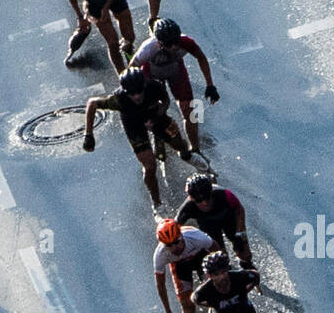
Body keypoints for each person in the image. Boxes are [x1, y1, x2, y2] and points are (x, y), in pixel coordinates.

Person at [82, 67, 191, 209]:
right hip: (134, 125)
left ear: (144, 86)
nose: (137, 96)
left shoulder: (154, 86)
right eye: (132, 93)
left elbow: (165, 100)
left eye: (139, 91)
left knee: (180, 145)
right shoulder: (118, 99)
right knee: (150, 166)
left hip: (154, 116)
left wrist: (157, 115)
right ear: (126, 92)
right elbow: (92, 104)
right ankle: (157, 203)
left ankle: (171, 144)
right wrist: (88, 135)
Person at [131, 19, 219, 157]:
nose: (174, 47)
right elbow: (132, 69)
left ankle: (195, 149)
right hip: (151, 75)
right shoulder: (148, 48)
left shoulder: (186, 42)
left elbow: (201, 58)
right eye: (169, 44)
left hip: (175, 71)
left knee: (189, 110)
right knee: (156, 111)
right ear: (159, 42)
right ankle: (158, 134)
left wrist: (210, 85)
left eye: (176, 42)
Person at [152, 219, 220, 313]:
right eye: (169, 245)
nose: (174, 248)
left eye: (176, 242)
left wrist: (225, 273)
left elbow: (217, 250)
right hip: (180, 266)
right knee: (188, 309)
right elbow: (160, 286)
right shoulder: (160, 255)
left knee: (214, 294)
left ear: (181, 236)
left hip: (200, 257)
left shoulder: (195, 236)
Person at [64, 0, 136, 72]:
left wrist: (107, 6)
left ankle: (129, 54)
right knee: (113, 43)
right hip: (94, 4)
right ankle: (122, 73)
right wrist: (80, 16)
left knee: (129, 37)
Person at [194, 252, 262, 313]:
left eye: (223, 272)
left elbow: (255, 276)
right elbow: (196, 299)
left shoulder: (239, 276)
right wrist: (213, 304)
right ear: (209, 275)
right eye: (216, 274)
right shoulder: (204, 291)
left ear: (228, 269)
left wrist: (245, 291)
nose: (222, 277)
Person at [176, 176, 252, 266]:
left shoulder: (224, 194)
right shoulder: (187, 208)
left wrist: (240, 232)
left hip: (228, 219)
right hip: (209, 226)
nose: (205, 202)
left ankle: (248, 267)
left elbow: (239, 209)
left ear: (211, 192)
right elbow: (174, 228)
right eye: (199, 200)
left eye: (207, 197)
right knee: (220, 258)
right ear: (192, 198)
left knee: (244, 253)